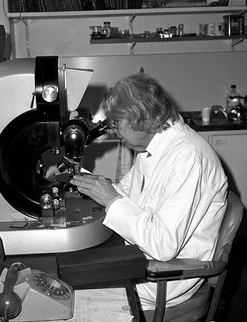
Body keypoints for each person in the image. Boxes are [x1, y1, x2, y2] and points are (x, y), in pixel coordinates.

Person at [70, 73, 228, 314]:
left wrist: (110, 199)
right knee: (70, 265)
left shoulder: (187, 158)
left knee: (70, 287)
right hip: (138, 254)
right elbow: (126, 192)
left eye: (116, 122)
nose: (112, 131)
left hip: (163, 277)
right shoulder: (151, 147)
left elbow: (163, 246)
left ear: (141, 119)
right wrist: (83, 179)